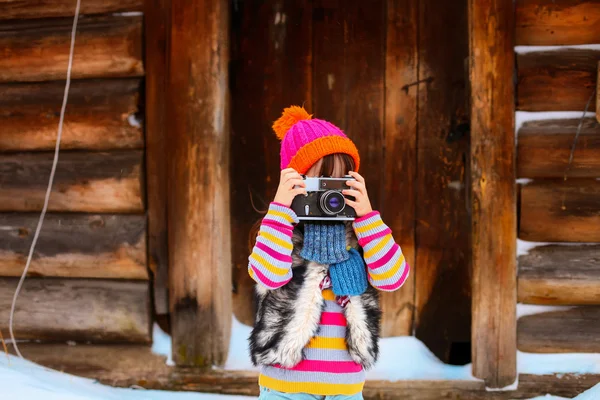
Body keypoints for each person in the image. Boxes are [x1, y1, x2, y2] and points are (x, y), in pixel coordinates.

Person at [247, 105, 410, 399]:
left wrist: (367, 217)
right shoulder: (282, 233)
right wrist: (281, 209)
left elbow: (393, 278)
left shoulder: (362, 237)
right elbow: (268, 275)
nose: (329, 195)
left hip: (345, 388)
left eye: (339, 182)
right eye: (320, 182)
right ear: (294, 181)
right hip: (286, 386)